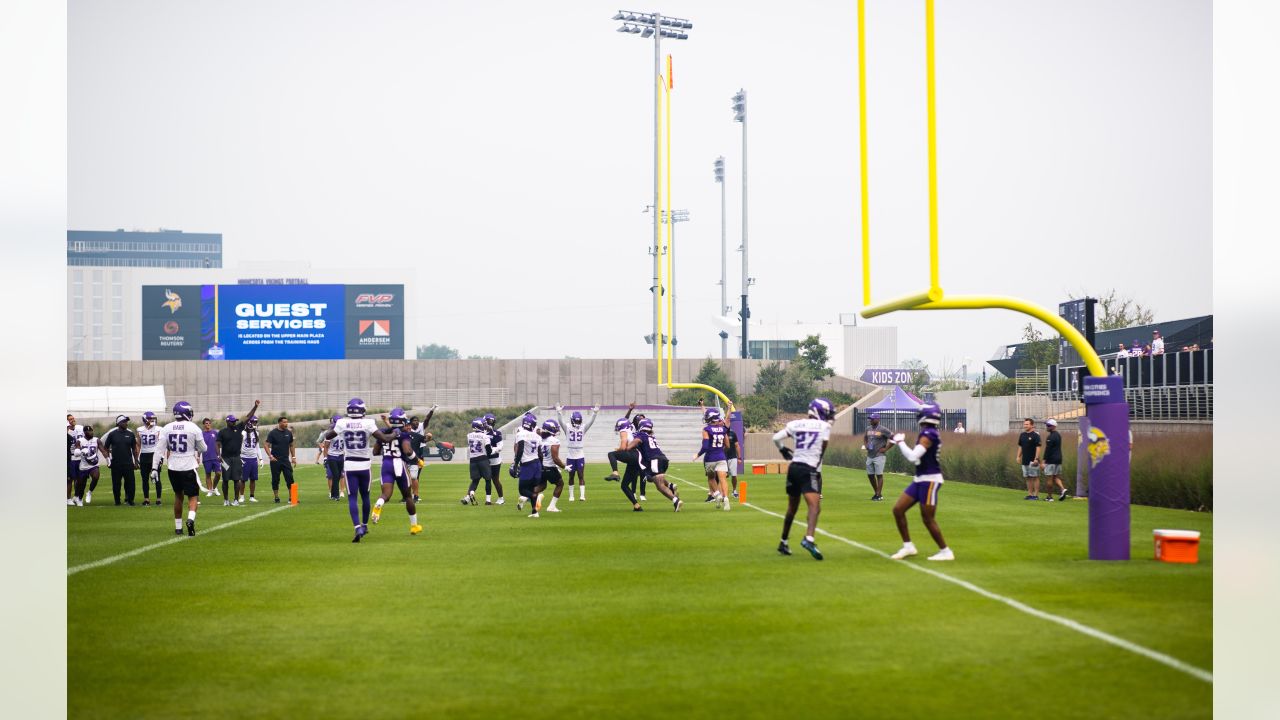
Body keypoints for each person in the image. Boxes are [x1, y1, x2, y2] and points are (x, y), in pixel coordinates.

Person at [325, 398, 399, 542]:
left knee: (352, 497)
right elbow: (384, 438)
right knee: (365, 496)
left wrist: (335, 427)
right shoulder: (368, 422)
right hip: (364, 465)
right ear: (363, 410)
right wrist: (395, 433)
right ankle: (364, 525)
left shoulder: (342, 422)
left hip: (350, 464)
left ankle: (357, 526)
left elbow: (328, 436)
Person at [888, 402, 954, 561]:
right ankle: (908, 547)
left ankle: (945, 551)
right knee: (898, 509)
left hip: (930, 480)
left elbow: (913, 457)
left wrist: (900, 442)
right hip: (920, 479)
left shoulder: (928, 434)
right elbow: (919, 459)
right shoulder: (928, 432)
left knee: (927, 518)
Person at [772, 398, 834, 560]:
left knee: (792, 508)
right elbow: (822, 450)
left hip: (793, 468)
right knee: (815, 507)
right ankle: (809, 539)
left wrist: (783, 450)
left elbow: (776, 438)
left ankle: (783, 542)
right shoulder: (824, 426)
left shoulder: (796, 424)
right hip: (808, 469)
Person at [368, 408, 424, 535]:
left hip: (386, 464)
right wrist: (417, 460)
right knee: (408, 496)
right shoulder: (404, 434)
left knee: (386, 494)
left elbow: (375, 452)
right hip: (399, 464)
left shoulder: (383, 432)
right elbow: (407, 451)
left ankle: (379, 504)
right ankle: (414, 526)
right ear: (403, 421)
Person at [156, 401, 207, 536]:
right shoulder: (193, 427)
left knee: (178, 496)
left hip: (173, 466)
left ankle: (178, 527)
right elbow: (203, 448)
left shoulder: (166, 428)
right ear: (186, 412)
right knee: (193, 496)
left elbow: (159, 450)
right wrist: (194, 446)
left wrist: (155, 468)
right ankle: (190, 520)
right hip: (188, 465)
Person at [630, 417, 682, 512]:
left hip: (654, 460)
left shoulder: (641, 435)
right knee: (652, 478)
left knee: (659, 485)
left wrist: (626, 448)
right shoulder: (651, 436)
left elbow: (636, 442)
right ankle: (670, 486)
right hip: (662, 459)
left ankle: (675, 500)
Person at [216, 401, 259, 507]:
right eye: (232, 421)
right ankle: (226, 500)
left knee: (237, 480)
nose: (234, 422)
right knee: (225, 480)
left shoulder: (238, 428)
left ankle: (235, 500)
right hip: (225, 458)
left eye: (235, 421)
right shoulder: (222, 432)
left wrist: (255, 406)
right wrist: (218, 455)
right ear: (227, 422)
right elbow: (217, 444)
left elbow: (248, 417)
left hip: (236, 458)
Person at [556, 404, 598, 502]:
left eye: (579, 420)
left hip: (580, 454)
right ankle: (571, 496)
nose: (578, 422)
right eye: (576, 420)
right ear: (572, 420)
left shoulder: (583, 427)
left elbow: (591, 423)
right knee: (571, 476)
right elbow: (560, 421)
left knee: (581, 475)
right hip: (570, 454)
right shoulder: (567, 427)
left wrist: (595, 413)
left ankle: (582, 495)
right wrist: (559, 412)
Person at [100, 415, 140, 505]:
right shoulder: (112, 434)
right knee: (116, 484)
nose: (126, 423)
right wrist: (108, 460)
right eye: (124, 422)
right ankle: (117, 501)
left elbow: (134, 449)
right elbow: (105, 448)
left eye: (126, 422)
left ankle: (130, 501)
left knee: (131, 484)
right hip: (116, 464)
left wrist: (136, 462)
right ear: (118, 423)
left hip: (128, 463)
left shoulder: (130, 434)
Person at [694, 407, 731, 506]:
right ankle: (726, 498)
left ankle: (717, 494)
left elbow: (705, 446)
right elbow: (727, 445)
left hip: (710, 458)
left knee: (711, 478)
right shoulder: (723, 429)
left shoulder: (707, 429)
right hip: (721, 457)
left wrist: (697, 455)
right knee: (723, 479)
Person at [510, 412, 544, 518]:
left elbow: (520, 450)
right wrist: (541, 466)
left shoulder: (521, 434)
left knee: (523, 489)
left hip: (527, 464)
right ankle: (535, 512)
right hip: (537, 464)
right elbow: (540, 453)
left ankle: (535, 497)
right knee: (533, 488)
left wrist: (516, 464)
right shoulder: (537, 436)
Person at [404, 405, 438, 503]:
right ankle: (407, 495)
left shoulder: (420, 428)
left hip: (419, 452)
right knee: (406, 477)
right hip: (408, 452)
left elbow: (427, 419)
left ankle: (415, 495)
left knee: (416, 475)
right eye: (414, 421)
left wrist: (432, 410)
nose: (416, 422)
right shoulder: (406, 431)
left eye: (417, 421)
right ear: (409, 424)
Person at [536, 418, 569, 514]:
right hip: (550, 467)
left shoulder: (540, 439)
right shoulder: (554, 441)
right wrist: (564, 467)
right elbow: (555, 458)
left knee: (542, 485)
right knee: (560, 484)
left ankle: (525, 496)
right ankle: (551, 506)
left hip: (541, 466)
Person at [603, 402, 638, 482]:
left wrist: (618, 449)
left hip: (632, 454)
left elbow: (623, 447)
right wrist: (630, 410)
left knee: (611, 454)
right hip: (637, 455)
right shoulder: (631, 429)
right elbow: (625, 420)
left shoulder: (624, 431)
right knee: (625, 486)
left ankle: (615, 473)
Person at [462, 418, 494, 506]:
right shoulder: (485, 436)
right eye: (483, 425)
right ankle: (488, 500)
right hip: (482, 459)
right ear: (479, 426)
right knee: (488, 480)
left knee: (475, 480)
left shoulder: (469, 435)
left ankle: (470, 493)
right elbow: (489, 450)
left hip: (472, 460)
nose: (484, 426)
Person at [265, 416, 297, 503]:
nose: (286, 424)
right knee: (275, 479)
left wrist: (293, 457)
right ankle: (276, 497)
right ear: (279, 423)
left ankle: (292, 498)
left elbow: (291, 445)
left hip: (285, 460)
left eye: (287, 422)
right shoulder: (273, 433)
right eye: (284, 422)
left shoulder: (289, 433)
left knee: (290, 478)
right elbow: (266, 445)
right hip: (275, 460)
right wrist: (270, 456)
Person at [863, 412, 893, 501]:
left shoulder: (883, 429)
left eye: (872, 419)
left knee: (879, 475)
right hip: (870, 455)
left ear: (877, 419)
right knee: (870, 475)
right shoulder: (868, 428)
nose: (870, 420)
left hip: (879, 455)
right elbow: (865, 438)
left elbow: (893, 438)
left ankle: (878, 494)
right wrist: (866, 445)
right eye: (870, 419)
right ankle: (878, 494)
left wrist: (886, 449)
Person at [136, 411, 162, 506]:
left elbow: (161, 444)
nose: (152, 420)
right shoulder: (139, 430)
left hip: (155, 455)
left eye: (153, 418)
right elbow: (138, 445)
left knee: (156, 477)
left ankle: (158, 498)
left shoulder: (159, 429)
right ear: (145, 419)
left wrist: (161, 457)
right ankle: (146, 499)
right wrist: (137, 457)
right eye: (151, 418)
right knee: (144, 478)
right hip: (144, 455)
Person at [318, 415, 346, 500]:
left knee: (338, 475)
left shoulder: (344, 432)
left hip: (341, 456)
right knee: (336, 475)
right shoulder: (330, 433)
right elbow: (326, 447)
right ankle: (336, 495)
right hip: (332, 456)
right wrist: (325, 458)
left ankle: (334, 494)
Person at [74, 425, 103, 505]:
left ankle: (89, 492)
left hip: (94, 464)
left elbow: (103, 450)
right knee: (81, 485)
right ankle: (79, 499)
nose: (90, 432)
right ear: (84, 432)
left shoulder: (97, 440)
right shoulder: (80, 440)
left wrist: (108, 459)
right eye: (88, 431)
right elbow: (76, 453)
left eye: (91, 431)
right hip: (83, 465)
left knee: (96, 476)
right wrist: (82, 451)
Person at [1042, 418, 1068, 502]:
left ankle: (1049, 497)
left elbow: (1048, 450)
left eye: (1048, 425)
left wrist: (1044, 461)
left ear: (1053, 426)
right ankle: (1063, 489)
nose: (1046, 427)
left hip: (1051, 460)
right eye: (1047, 425)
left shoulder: (1051, 437)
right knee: (1056, 477)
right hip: (1058, 459)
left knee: (1049, 478)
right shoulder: (1058, 435)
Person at [1015, 418, 1043, 500]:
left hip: (1033, 461)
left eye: (1027, 424)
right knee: (1028, 477)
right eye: (1024, 424)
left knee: (1035, 477)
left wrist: (1036, 458)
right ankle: (1030, 494)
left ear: (1032, 425)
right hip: (1025, 460)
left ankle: (1036, 495)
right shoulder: (1022, 435)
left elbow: (1038, 447)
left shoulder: (1035, 435)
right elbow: (1020, 446)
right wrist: (1018, 456)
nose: (1025, 426)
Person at [482, 412, 506, 505]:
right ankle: (470, 496)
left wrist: (491, 450)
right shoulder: (481, 433)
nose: (489, 423)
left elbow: (500, 447)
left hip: (494, 459)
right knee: (480, 478)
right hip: (484, 459)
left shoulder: (497, 433)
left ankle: (501, 498)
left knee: (495, 479)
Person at [241, 416, 262, 503]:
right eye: (254, 422)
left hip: (253, 459)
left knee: (253, 479)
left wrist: (260, 458)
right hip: (244, 458)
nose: (255, 424)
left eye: (256, 422)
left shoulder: (256, 433)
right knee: (243, 479)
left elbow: (257, 447)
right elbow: (239, 445)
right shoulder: (243, 433)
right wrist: (239, 457)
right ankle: (241, 496)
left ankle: (252, 496)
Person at [199, 418, 222, 498]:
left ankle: (214, 488)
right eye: (206, 423)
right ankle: (210, 490)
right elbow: (199, 446)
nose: (208, 424)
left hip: (215, 457)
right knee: (208, 474)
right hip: (206, 457)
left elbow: (218, 444)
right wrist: (198, 457)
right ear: (204, 424)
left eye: (209, 423)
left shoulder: (215, 433)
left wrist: (219, 455)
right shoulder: (201, 434)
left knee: (218, 473)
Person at [67, 414, 85, 505]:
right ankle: (68, 498)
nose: (72, 420)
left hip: (80, 457)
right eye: (70, 419)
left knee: (79, 478)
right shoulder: (67, 431)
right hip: (71, 457)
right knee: (70, 479)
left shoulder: (80, 428)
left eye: (73, 418)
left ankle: (76, 496)